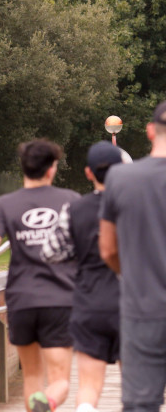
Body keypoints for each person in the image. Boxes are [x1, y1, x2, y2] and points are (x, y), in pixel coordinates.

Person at [0, 139, 80, 412]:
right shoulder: (71, 200)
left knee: (32, 377)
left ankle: (38, 403)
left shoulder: (3, 204)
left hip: (21, 299)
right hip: (60, 299)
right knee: (59, 380)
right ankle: (47, 403)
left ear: (24, 168)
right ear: (51, 169)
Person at [40, 141, 125, 412]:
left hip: (90, 302)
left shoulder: (74, 209)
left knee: (88, 385)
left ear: (89, 173)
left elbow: (50, 252)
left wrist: (78, 252)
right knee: (136, 386)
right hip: (133, 303)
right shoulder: (136, 206)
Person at [100, 100, 166, 412]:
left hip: (143, 308)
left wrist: (132, 275)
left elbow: (108, 249)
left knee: (141, 404)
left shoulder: (121, 179)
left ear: (150, 131)